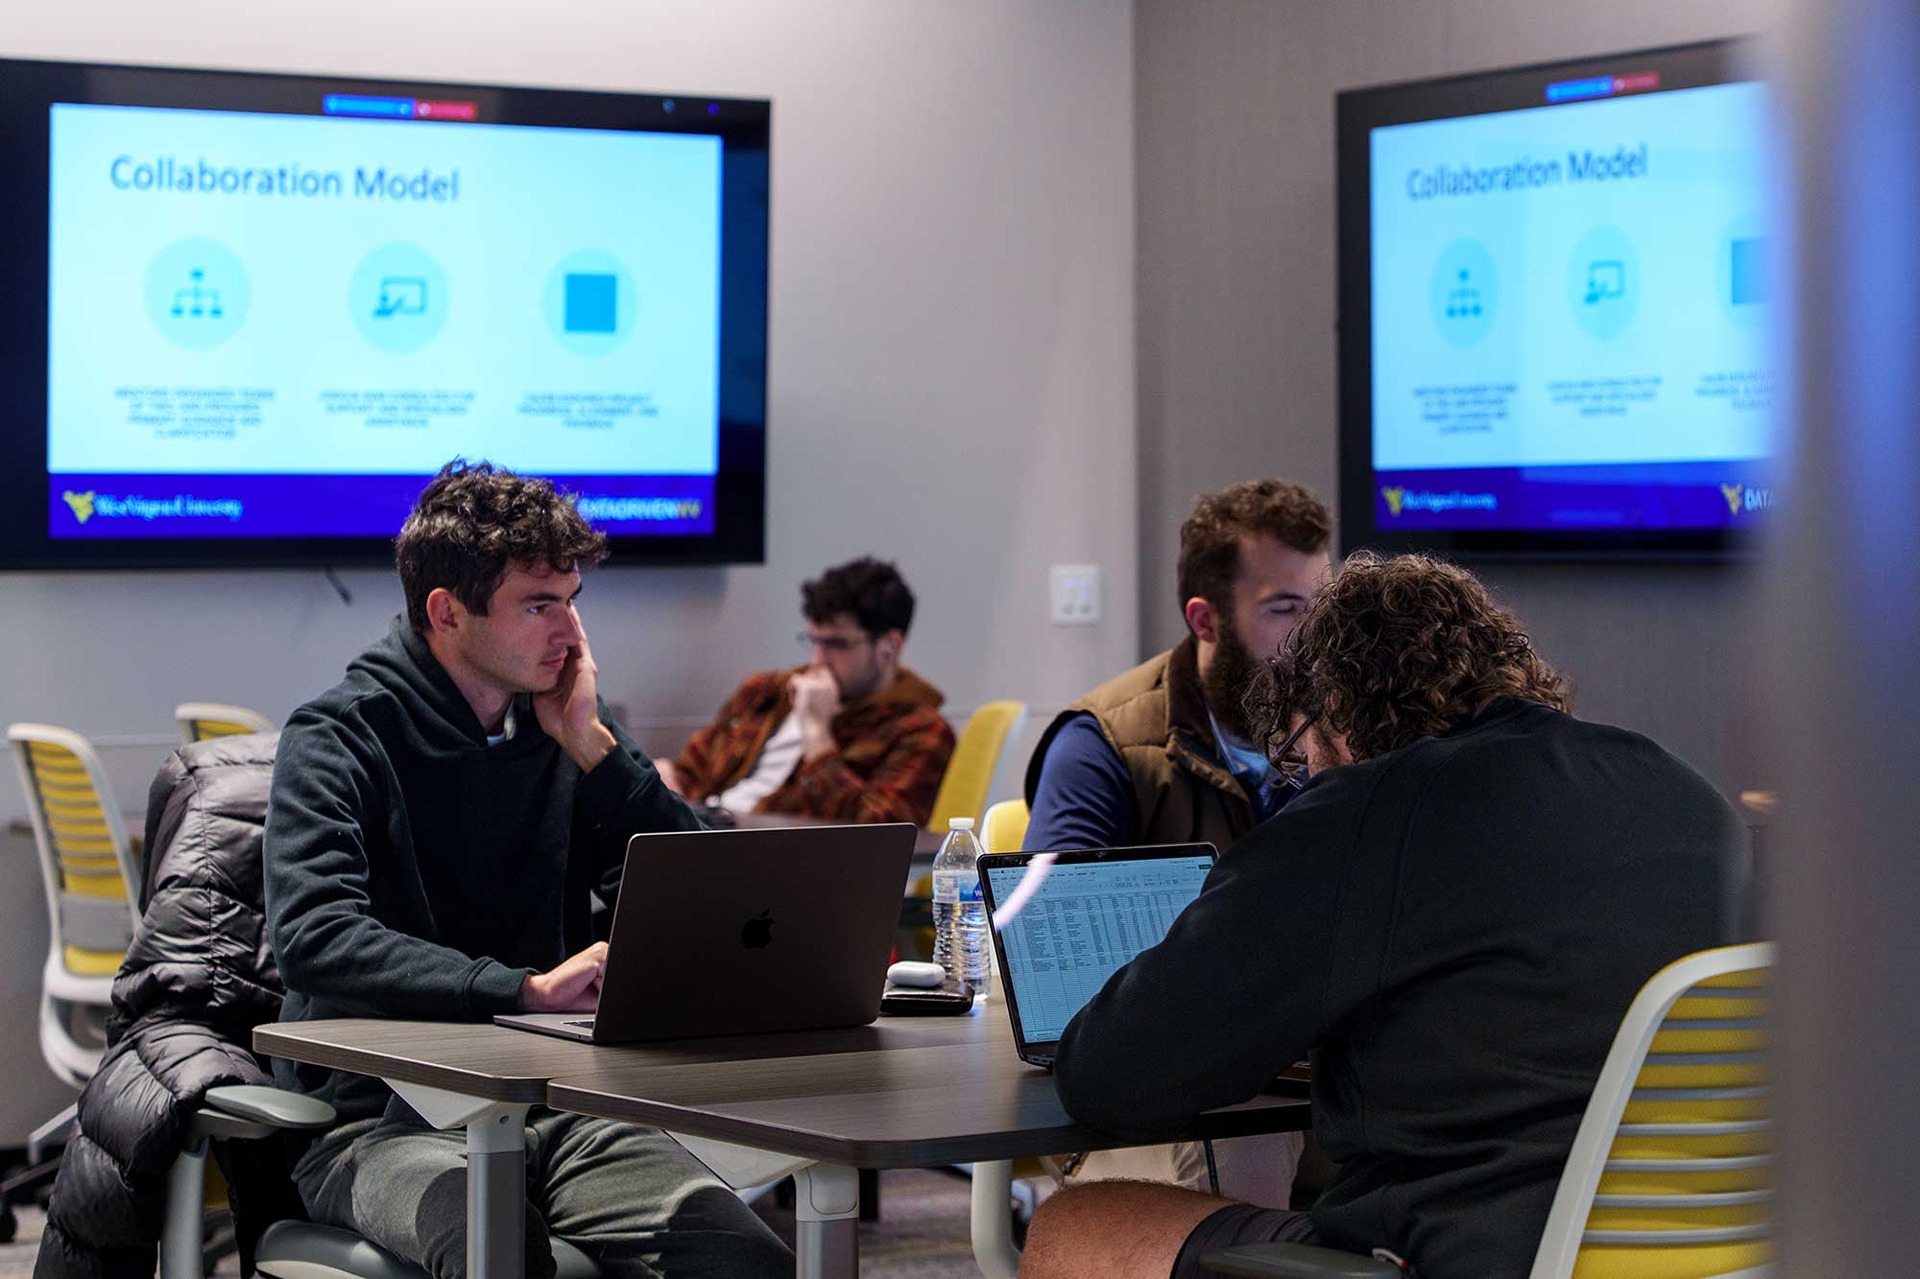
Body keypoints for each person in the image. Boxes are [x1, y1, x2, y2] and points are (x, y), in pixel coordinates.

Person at [1017, 553, 1753, 1279]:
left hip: (1455, 1255)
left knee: (1076, 1224)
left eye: (1303, 761)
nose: (1307, 784)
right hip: (1719, 1253)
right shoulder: (1688, 796)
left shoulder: (1373, 812)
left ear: (1337, 708)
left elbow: (1113, 1071)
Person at [264, 461, 790, 1279]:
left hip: (562, 1105)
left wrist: (598, 752)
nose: (571, 633)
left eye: (573, 600)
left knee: (743, 1258)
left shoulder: (566, 725)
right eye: (539, 605)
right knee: (497, 1248)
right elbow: (313, 934)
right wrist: (519, 988)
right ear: (447, 612)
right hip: (381, 1123)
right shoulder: (338, 736)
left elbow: (703, 898)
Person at [1018, 478, 1334, 1202]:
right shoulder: (1104, 744)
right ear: (1206, 619)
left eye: (1322, 608)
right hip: (1167, 1092)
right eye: (1286, 609)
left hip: (1320, 1086)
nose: (1314, 641)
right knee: (1242, 1146)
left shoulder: (1347, 734)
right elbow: (1057, 977)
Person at [656, 556, 956, 824]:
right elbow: (693, 772)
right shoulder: (768, 692)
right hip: (706, 833)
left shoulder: (920, 730)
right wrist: (667, 782)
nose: (818, 660)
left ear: (889, 646)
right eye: (814, 641)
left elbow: (881, 832)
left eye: (837, 644)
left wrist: (817, 734)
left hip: (784, 861)